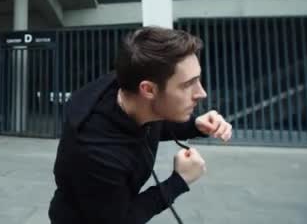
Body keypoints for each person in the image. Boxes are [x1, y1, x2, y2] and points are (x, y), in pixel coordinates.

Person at [48, 26, 233, 224]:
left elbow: (154, 117)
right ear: (148, 89)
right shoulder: (97, 153)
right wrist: (179, 181)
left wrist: (195, 125)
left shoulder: (130, 85)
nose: (202, 93)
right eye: (188, 84)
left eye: (198, 79)